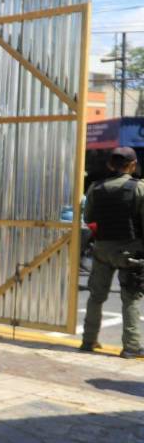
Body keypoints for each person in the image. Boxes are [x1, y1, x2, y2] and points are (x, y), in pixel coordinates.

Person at [80, 145, 144, 358]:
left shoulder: (95, 188)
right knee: (131, 298)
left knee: (96, 296)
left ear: (110, 164)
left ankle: (88, 341)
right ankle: (131, 347)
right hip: (131, 252)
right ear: (133, 165)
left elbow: (88, 219)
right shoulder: (139, 188)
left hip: (102, 249)